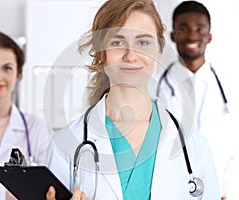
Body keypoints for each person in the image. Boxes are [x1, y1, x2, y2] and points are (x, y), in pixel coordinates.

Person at [46, 0, 220, 199]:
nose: (131, 55)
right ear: (101, 51)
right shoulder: (67, 146)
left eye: (143, 42)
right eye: (117, 42)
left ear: (159, 49)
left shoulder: (194, 146)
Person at [156, 1, 239, 200]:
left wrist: (226, 192)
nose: (192, 35)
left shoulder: (233, 86)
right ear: (173, 36)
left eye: (200, 29)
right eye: (183, 29)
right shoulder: (154, 88)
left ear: (209, 36)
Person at [0, 30, 50, 199]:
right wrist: (4, 193)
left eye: (7, 68)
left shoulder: (35, 128)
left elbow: (48, 189)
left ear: (18, 73)